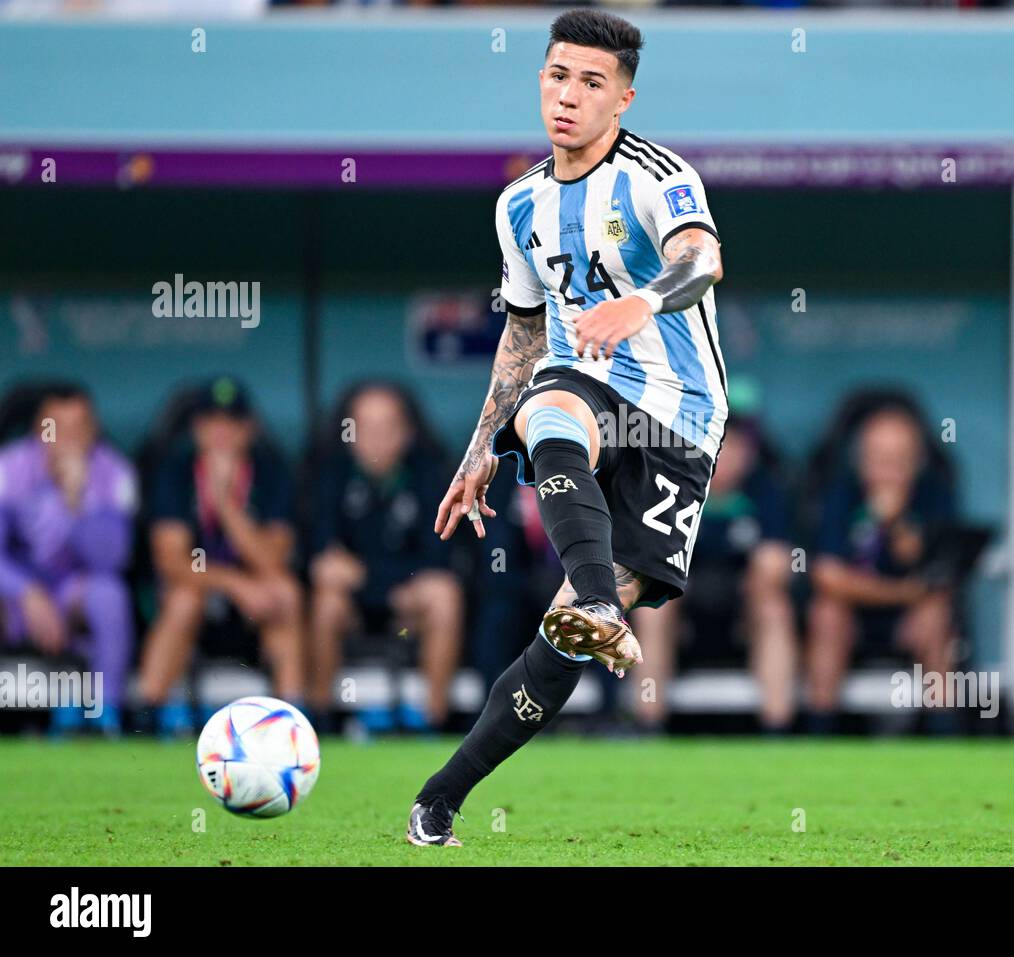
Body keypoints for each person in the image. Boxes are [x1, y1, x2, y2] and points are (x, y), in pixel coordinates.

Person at [407, 8, 728, 847]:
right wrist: (479, 450)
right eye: (557, 75)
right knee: (547, 405)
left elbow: (702, 259)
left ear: (622, 98)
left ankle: (449, 784)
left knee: (563, 642)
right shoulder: (519, 205)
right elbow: (521, 331)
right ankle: (435, 806)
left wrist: (644, 299)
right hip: (584, 382)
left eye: (591, 82)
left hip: (679, 417)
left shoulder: (661, 176)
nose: (569, 96)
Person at [137, 377, 305, 734]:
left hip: (254, 612)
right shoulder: (177, 470)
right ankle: (148, 717)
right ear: (196, 427)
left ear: (250, 428)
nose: (222, 432)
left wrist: (227, 505)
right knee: (184, 599)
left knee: (284, 592)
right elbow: (172, 561)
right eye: (211, 422)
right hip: (199, 601)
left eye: (232, 422)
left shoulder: (271, 471)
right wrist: (235, 585)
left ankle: (291, 724)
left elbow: (272, 560)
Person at [307, 383, 463, 733]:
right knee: (326, 600)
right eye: (364, 427)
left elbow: (438, 558)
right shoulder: (331, 474)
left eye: (386, 427)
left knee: (444, 594)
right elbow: (322, 562)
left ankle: (432, 720)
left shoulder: (431, 474)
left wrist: (370, 576)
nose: (376, 438)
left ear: (407, 433)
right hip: (354, 609)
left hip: (407, 611)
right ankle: (319, 722)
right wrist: (386, 580)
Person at [631, 414, 797, 733]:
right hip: (685, 609)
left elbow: (778, 563)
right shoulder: (671, 487)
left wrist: (759, 579)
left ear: (749, 454)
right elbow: (650, 558)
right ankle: (648, 726)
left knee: (775, 608)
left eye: (734, 449)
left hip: (743, 612)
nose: (726, 458)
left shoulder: (766, 490)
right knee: (653, 607)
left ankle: (778, 731)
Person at [806, 406, 959, 733]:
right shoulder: (841, 493)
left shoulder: (934, 494)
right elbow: (828, 577)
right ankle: (818, 736)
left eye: (898, 460)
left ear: (917, 461)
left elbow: (936, 574)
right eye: (878, 459)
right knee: (826, 613)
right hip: (854, 614)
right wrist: (903, 592)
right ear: (860, 460)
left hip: (911, 617)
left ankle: (945, 736)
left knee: (935, 614)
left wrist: (895, 522)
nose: (887, 471)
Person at [0, 384, 136, 735]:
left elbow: (112, 559)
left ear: (93, 431)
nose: (67, 438)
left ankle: (104, 713)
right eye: (56, 426)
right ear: (38, 429)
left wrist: (79, 501)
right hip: (17, 595)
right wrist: (27, 592)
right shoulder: (9, 468)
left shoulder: (113, 472)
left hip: (74, 591)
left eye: (78, 427)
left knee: (109, 594)